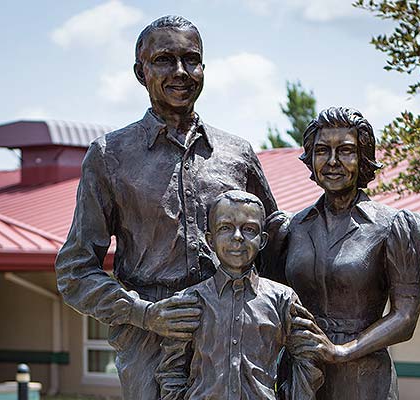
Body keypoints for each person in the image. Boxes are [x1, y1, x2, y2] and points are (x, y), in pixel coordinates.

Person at [55, 15, 277, 399]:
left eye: (191, 59)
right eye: (164, 60)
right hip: (149, 344)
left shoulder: (237, 154)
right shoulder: (110, 156)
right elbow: (74, 271)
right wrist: (142, 314)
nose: (180, 71)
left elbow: (274, 247)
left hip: (232, 335)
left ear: (204, 68)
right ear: (141, 72)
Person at [263, 107, 420, 399]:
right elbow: (270, 304)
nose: (332, 161)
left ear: (363, 158)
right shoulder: (290, 228)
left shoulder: (393, 227)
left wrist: (341, 352)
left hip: (363, 377)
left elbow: (406, 317)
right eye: (322, 150)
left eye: (346, 151)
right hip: (302, 375)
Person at [156, 190, 322, 400]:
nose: (237, 237)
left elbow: (307, 362)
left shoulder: (283, 300)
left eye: (249, 229)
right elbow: (171, 372)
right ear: (210, 239)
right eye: (225, 228)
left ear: (262, 241)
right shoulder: (189, 301)